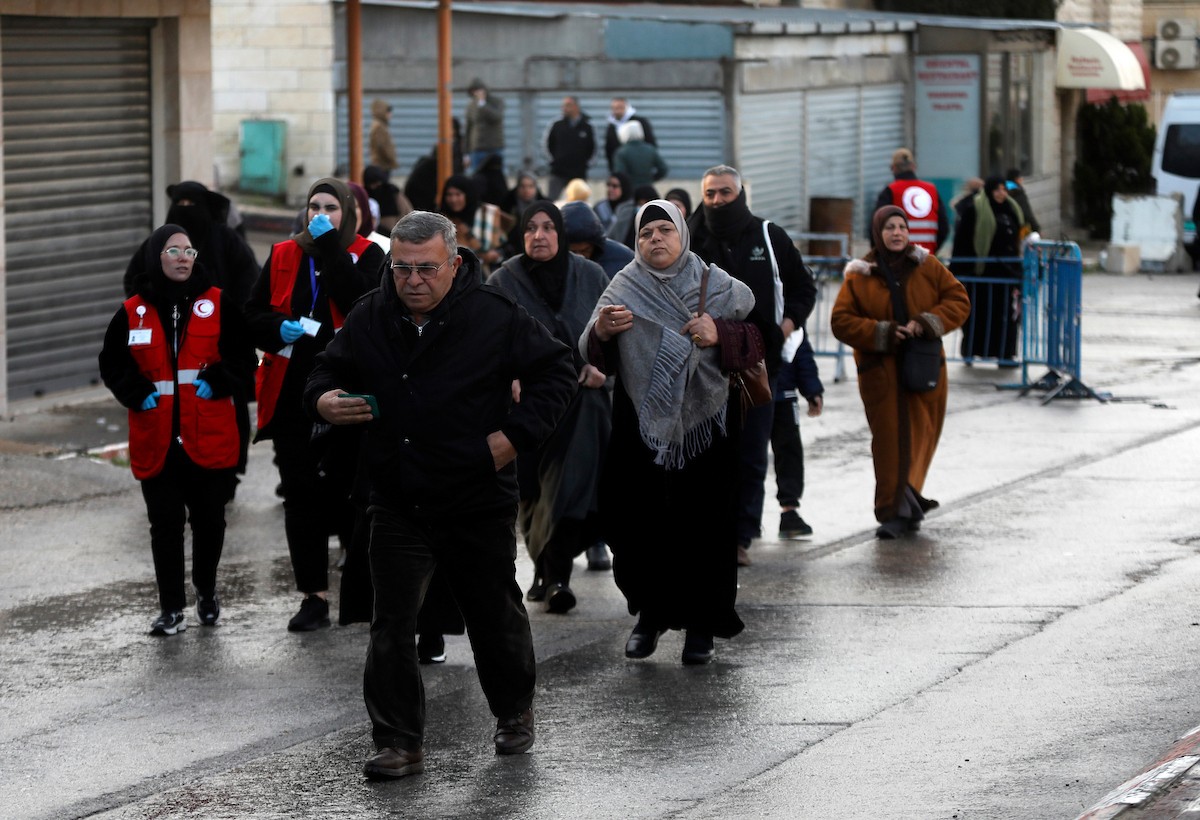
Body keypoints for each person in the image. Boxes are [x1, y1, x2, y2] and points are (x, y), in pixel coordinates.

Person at [302, 210, 576, 779]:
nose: (413, 280)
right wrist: (323, 400)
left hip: (475, 493)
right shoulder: (371, 313)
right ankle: (399, 740)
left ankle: (514, 709)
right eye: (401, 268)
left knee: (493, 613)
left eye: (426, 268)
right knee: (391, 623)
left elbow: (557, 372)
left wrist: (511, 439)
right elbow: (325, 368)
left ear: (453, 264)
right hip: (397, 495)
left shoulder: (494, 314)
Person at [578, 200, 758, 665]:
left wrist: (719, 333)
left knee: (705, 525)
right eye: (645, 233)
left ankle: (702, 627)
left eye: (664, 230)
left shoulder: (719, 285)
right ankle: (650, 615)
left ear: (682, 233)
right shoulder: (625, 284)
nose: (655, 239)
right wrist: (602, 331)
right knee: (637, 523)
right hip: (642, 427)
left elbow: (759, 340)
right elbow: (593, 350)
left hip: (707, 427)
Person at [99, 224, 256, 635]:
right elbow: (112, 363)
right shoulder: (131, 310)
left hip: (209, 437)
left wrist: (220, 380)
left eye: (189, 251)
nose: (184, 257)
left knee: (209, 523)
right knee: (165, 527)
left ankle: (206, 589)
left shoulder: (218, 303)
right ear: (156, 257)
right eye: (173, 251)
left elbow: (244, 358)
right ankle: (171, 608)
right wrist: (135, 392)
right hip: (157, 440)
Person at [245, 177, 385, 632]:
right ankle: (313, 596)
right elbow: (252, 315)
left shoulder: (369, 254)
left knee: (353, 496)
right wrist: (275, 328)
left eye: (331, 208)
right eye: (314, 207)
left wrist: (329, 249)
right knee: (300, 496)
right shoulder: (284, 253)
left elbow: (361, 303)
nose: (320, 215)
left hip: (347, 392)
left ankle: (361, 595)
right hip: (292, 395)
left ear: (349, 213)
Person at [687, 164, 817, 567]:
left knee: (750, 454)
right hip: (701, 367)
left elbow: (803, 286)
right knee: (702, 454)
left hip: (758, 366)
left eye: (725, 192)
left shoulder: (769, 236)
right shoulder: (691, 238)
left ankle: (740, 536)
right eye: (710, 194)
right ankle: (704, 532)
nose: (717, 201)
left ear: (740, 194)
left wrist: (784, 327)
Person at [491, 201, 612, 612]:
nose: (538, 236)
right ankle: (545, 569)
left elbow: (614, 335)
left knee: (569, 481)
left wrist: (602, 369)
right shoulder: (504, 280)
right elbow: (486, 341)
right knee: (532, 494)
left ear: (560, 233)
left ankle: (557, 574)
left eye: (547, 227)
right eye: (530, 228)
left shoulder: (591, 275)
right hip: (527, 405)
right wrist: (507, 376)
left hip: (581, 401)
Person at [830, 205, 970, 539]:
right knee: (889, 443)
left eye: (902, 227)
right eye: (890, 227)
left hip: (924, 369)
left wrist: (925, 323)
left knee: (920, 438)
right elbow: (841, 321)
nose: (897, 233)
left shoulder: (928, 266)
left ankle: (908, 504)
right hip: (882, 374)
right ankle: (892, 511)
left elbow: (959, 300)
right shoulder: (859, 276)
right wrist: (884, 332)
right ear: (878, 234)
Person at [123, 181, 259, 308]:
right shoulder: (159, 241)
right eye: (180, 203)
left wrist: (233, 313)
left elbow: (248, 277)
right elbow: (134, 279)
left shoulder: (226, 239)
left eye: (191, 203)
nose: (185, 209)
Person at [953, 176, 1025, 363]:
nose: (1001, 193)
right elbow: (963, 241)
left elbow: (1018, 237)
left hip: (1006, 274)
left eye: (1004, 189)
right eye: (997, 189)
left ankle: (1005, 354)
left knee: (1006, 317)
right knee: (979, 315)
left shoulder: (1012, 210)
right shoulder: (975, 210)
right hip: (982, 274)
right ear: (989, 191)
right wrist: (960, 271)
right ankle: (972, 351)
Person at [771, 328, 823, 539]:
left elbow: (802, 354)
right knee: (749, 457)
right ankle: (745, 515)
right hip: (749, 391)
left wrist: (813, 391)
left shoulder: (792, 319)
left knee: (790, 454)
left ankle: (789, 511)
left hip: (784, 395)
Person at [870, 148, 949, 255]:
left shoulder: (891, 191)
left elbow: (876, 226)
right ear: (913, 167)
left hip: (898, 258)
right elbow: (944, 227)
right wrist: (931, 250)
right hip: (926, 257)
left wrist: (880, 254)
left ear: (894, 168)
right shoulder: (932, 190)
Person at [438, 173, 512, 276]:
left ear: (467, 195)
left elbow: (503, 249)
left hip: (484, 274)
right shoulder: (441, 219)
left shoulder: (487, 215)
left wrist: (493, 255)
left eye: (458, 194)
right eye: (449, 195)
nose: (453, 199)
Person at [561, 199, 634, 279]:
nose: (579, 256)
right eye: (573, 252)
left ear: (595, 246)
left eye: (585, 251)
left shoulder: (624, 258)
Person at [543, 95, 596, 201]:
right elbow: (546, 145)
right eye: (563, 105)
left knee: (579, 202)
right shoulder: (556, 125)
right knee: (551, 201)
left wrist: (585, 165)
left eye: (567, 105)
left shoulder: (588, 126)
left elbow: (594, 148)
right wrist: (554, 161)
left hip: (578, 173)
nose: (564, 108)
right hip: (558, 172)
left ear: (576, 107)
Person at [498, 169, 546, 259]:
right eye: (522, 186)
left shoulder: (545, 206)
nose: (526, 190)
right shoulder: (507, 205)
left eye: (530, 186)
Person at [604, 96, 657, 173]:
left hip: (639, 167)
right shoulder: (612, 126)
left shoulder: (640, 122)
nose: (617, 111)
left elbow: (650, 143)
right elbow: (609, 149)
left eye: (620, 108)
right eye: (614, 108)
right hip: (619, 168)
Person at [612, 120, 668, 192]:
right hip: (648, 189)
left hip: (630, 191)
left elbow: (620, 175)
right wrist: (651, 179)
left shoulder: (621, 152)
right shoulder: (650, 149)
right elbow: (663, 169)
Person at [464, 77, 504, 173]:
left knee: (495, 174)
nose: (476, 93)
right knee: (476, 175)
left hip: (494, 147)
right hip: (477, 148)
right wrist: (466, 153)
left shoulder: (496, 102)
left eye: (478, 90)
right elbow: (468, 129)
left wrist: (482, 104)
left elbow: (496, 117)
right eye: (474, 91)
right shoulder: (471, 106)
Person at [363, 164, 413, 235]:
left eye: (377, 184)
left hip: (396, 232)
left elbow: (407, 212)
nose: (374, 187)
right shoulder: (366, 195)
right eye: (371, 184)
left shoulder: (392, 193)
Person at [609, 183, 661, 250]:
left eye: (646, 203)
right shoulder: (626, 218)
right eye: (640, 204)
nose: (642, 207)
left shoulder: (661, 220)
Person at [1004, 167, 1041, 237]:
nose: (1022, 179)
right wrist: (1036, 228)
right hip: (1019, 229)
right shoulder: (1018, 193)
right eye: (1020, 177)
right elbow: (1027, 213)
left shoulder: (1003, 191)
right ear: (1016, 179)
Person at [369, 99, 398, 174]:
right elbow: (382, 146)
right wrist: (391, 159)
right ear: (382, 112)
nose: (390, 114)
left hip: (382, 165)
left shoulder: (380, 125)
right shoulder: (379, 127)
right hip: (382, 166)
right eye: (388, 112)